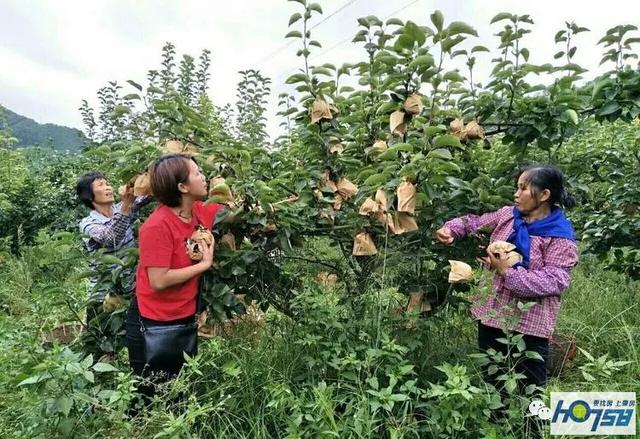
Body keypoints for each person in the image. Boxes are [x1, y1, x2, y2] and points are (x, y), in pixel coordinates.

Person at [435, 164, 578, 395]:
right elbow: (474, 222)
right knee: (493, 384)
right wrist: (452, 229)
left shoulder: (559, 236)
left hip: (530, 325)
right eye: (517, 187)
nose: (516, 194)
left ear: (544, 195)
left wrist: (507, 272)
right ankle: (498, 426)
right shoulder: (507, 216)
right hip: (492, 316)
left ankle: (532, 431)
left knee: (531, 389)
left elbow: (556, 280)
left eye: (523, 188)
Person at [125, 154, 224, 391]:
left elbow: (237, 213)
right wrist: (202, 265)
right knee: (150, 391)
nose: (204, 177)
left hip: (183, 316)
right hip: (154, 322)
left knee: (180, 388)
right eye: (197, 173)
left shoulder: (199, 213)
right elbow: (158, 280)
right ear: (182, 186)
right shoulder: (157, 225)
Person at [76, 172, 151, 356]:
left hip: (130, 291)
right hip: (103, 297)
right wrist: (126, 205)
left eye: (108, 183)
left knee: (134, 343)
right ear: (89, 195)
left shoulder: (122, 208)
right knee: (100, 349)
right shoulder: (88, 223)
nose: (108, 187)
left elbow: (147, 195)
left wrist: (149, 176)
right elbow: (110, 238)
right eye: (100, 185)